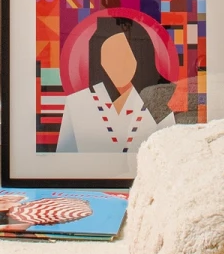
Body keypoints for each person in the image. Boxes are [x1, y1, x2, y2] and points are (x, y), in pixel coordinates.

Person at [56, 14, 175, 155]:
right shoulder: (76, 104)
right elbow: (62, 160)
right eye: (109, 56)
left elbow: (169, 155)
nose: (118, 64)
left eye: (125, 54)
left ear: (138, 56)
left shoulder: (160, 102)